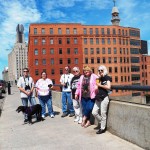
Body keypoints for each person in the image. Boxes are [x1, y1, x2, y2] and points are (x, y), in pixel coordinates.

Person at [92, 65, 111, 134]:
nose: (100, 71)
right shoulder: (98, 79)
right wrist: (97, 83)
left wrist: (100, 85)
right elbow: (96, 88)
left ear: (104, 70)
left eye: (101, 70)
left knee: (103, 113)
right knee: (94, 112)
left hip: (104, 97)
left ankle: (102, 128)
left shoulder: (107, 77)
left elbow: (109, 87)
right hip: (98, 97)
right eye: (99, 70)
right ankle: (101, 123)